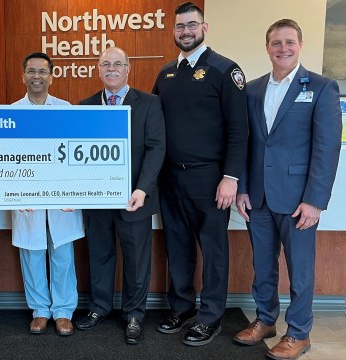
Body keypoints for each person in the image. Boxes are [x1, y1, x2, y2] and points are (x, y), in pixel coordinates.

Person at [233, 19, 341, 360]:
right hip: (258, 197)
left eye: (289, 42)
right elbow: (247, 143)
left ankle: (299, 332)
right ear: (267, 48)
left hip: (298, 200)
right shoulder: (252, 89)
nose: (283, 48)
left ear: (300, 45)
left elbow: (327, 148)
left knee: (301, 269)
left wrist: (315, 201)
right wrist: (243, 189)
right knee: (263, 265)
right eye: (276, 43)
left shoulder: (321, 88)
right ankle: (265, 320)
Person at [152, 1, 248, 346]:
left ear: (204, 28)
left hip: (211, 179)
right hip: (170, 179)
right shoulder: (165, 74)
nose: (186, 31)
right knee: (177, 247)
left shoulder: (225, 70)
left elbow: (240, 129)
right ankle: (182, 307)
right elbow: (156, 129)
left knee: (213, 250)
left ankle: (210, 317)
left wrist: (231, 177)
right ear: (173, 31)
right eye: (180, 26)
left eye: (192, 25)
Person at [75, 46, 166, 345]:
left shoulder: (150, 103)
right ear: (98, 70)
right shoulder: (85, 106)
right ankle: (99, 307)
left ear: (128, 69)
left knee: (137, 260)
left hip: (135, 199)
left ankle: (134, 314)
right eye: (105, 64)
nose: (111, 68)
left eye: (117, 64)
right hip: (98, 200)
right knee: (99, 254)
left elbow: (156, 148)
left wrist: (142, 188)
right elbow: (77, 154)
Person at [10, 52, 85, 337]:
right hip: (27, 198)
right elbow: (6, 159)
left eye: (42, 71)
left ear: (51, 76)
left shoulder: (66, 109)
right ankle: (40, 310)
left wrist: (73, 194)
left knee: (63, 254)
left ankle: (64, 312)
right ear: (23, 76)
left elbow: (75, 158)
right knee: (32, 254)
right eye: (31, 71)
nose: (37, 76)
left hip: (60, 199)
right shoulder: (12, 111)